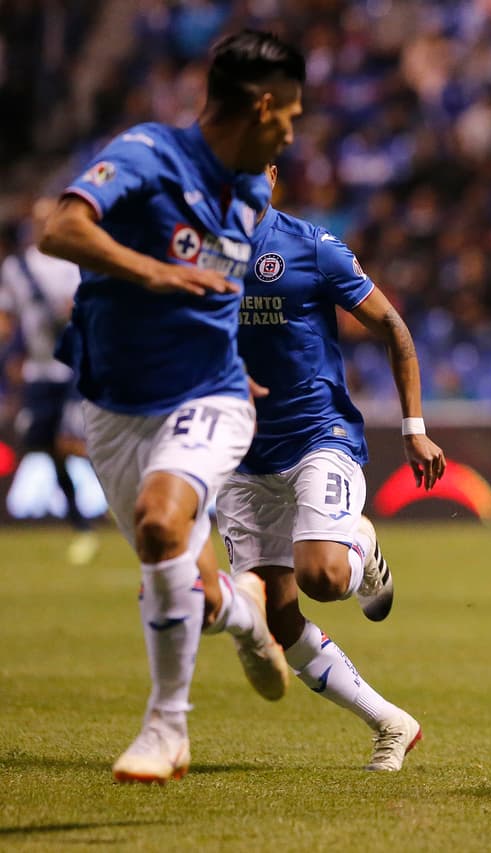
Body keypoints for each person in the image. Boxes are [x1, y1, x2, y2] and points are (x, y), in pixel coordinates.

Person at [39, 29, 306, 784]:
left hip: (210, 395)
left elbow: (220, 292)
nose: (292, 132)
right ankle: (244, 610)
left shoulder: (253, 190)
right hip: (116, 408)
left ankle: (167, 729)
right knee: (181, 574)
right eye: (289, 115)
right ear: (261, 106)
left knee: (163, 523)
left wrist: (236, 370)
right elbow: (59, 228)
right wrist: (150, 272)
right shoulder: (147, 155)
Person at [215, 164, 446, 771]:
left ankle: (362, 547)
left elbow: (393, 326)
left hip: (320, 437)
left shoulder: (311, 247)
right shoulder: (194, 253)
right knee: (274, 614)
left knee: (321, 576)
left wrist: (414, 430)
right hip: (240, 457)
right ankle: (390, 723)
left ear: (272, 174)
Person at [0, 197, 98, 565]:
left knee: (71, 442)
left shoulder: (76, 263)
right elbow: (7, 317)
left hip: (74, 368)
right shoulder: (16, 267)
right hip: (39, 373)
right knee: (43, 445)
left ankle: (120, 502)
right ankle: (81, 524)